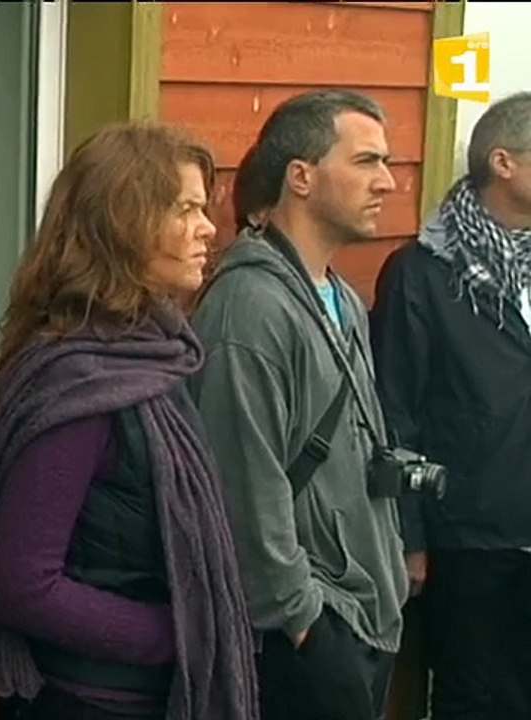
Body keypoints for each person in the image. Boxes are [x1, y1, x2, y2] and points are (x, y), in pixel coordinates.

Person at [0, 122, 258, 720]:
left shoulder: (151, 357)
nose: (209, 230)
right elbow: (23, 585)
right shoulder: (78, 381)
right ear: (124, 223)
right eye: (187, 209)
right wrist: (176, 633)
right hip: (88, 702)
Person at [188, 89, 409, 720]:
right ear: (302, 177)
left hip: (362, 619)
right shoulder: (250, 309)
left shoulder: (339, 297)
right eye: (366, 161)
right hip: (305, 638)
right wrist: (305, 624)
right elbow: (242, 487)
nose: (388, 182)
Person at [370, 90, 531, 719]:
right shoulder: (423, 272)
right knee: (475, 701)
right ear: (503, 163)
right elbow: (395, 407)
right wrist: (409, 536)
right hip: (469, 534)